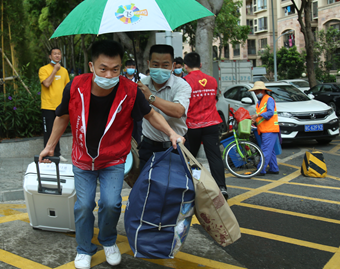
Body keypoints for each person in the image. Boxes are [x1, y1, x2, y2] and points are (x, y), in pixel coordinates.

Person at [39, 40, 184, 269]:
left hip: (114, 159)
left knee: (111, 203)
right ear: (91, 66)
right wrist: (50, 146)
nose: (109, 74)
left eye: (115, 69)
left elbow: (150, 115)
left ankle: (108, 241)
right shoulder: (75, 86)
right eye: (103, 69)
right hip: (83, 159)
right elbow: (62, 116)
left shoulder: (130, 90)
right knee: (84, 206)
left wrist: (171, 133)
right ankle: (84, 248)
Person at [137, 45, 192, 171]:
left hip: (177, 147)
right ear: (148, 64)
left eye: (165, 65)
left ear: (172, 66)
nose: (160, 69)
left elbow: (178, 111)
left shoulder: (182, 86)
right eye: (155, 65)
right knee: (147, 188)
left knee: (178, 188)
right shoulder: (141, 85)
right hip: (149, 147)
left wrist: (150, 97)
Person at [182, 52, 228, 199]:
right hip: (212, 124)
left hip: (193, 125)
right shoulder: (212, 80)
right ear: (200, 64)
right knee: (214, 157)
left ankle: (188, 186)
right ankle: (221, 187)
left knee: (190, 158)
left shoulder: (185, 82)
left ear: (185, 66)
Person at [39, 48, 70, 161]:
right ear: (50, 56)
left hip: (60, 105)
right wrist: (55, 70)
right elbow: (46, 83)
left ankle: (57, 153)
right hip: (48, 105)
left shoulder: (64, 71)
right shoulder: (43, 69)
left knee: (58, 130)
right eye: (54, 54)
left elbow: (68, 88)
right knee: (49, 131)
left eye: (59, 54)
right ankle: (48, 155)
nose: (57, 56)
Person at [249, 81, 280, 176]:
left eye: (257, 91)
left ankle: (260, 170)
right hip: (265, 129)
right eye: (255, 91)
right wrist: (255, 119)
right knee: (270, 150)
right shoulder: (260, 102)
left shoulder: (268, 99)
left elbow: (270, 113)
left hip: (269, 129)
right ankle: (274, 168)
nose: (256, 93)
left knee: (265, 150)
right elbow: (262, 116)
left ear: (263, 90)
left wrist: (257, 115)